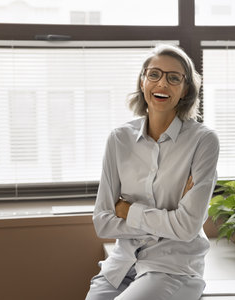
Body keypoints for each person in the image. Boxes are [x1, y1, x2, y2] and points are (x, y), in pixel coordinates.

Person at [85, 44, 219, 300]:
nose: (162, 84)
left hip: (173, 268)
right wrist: (169, 220)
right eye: (154, 74)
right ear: (143, 81)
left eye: (174, 78)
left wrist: (128, 211)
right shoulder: (119, 139)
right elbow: (102, 222)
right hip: (122, 264)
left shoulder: (203, 141)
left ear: (186, 89)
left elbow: (189, 227)